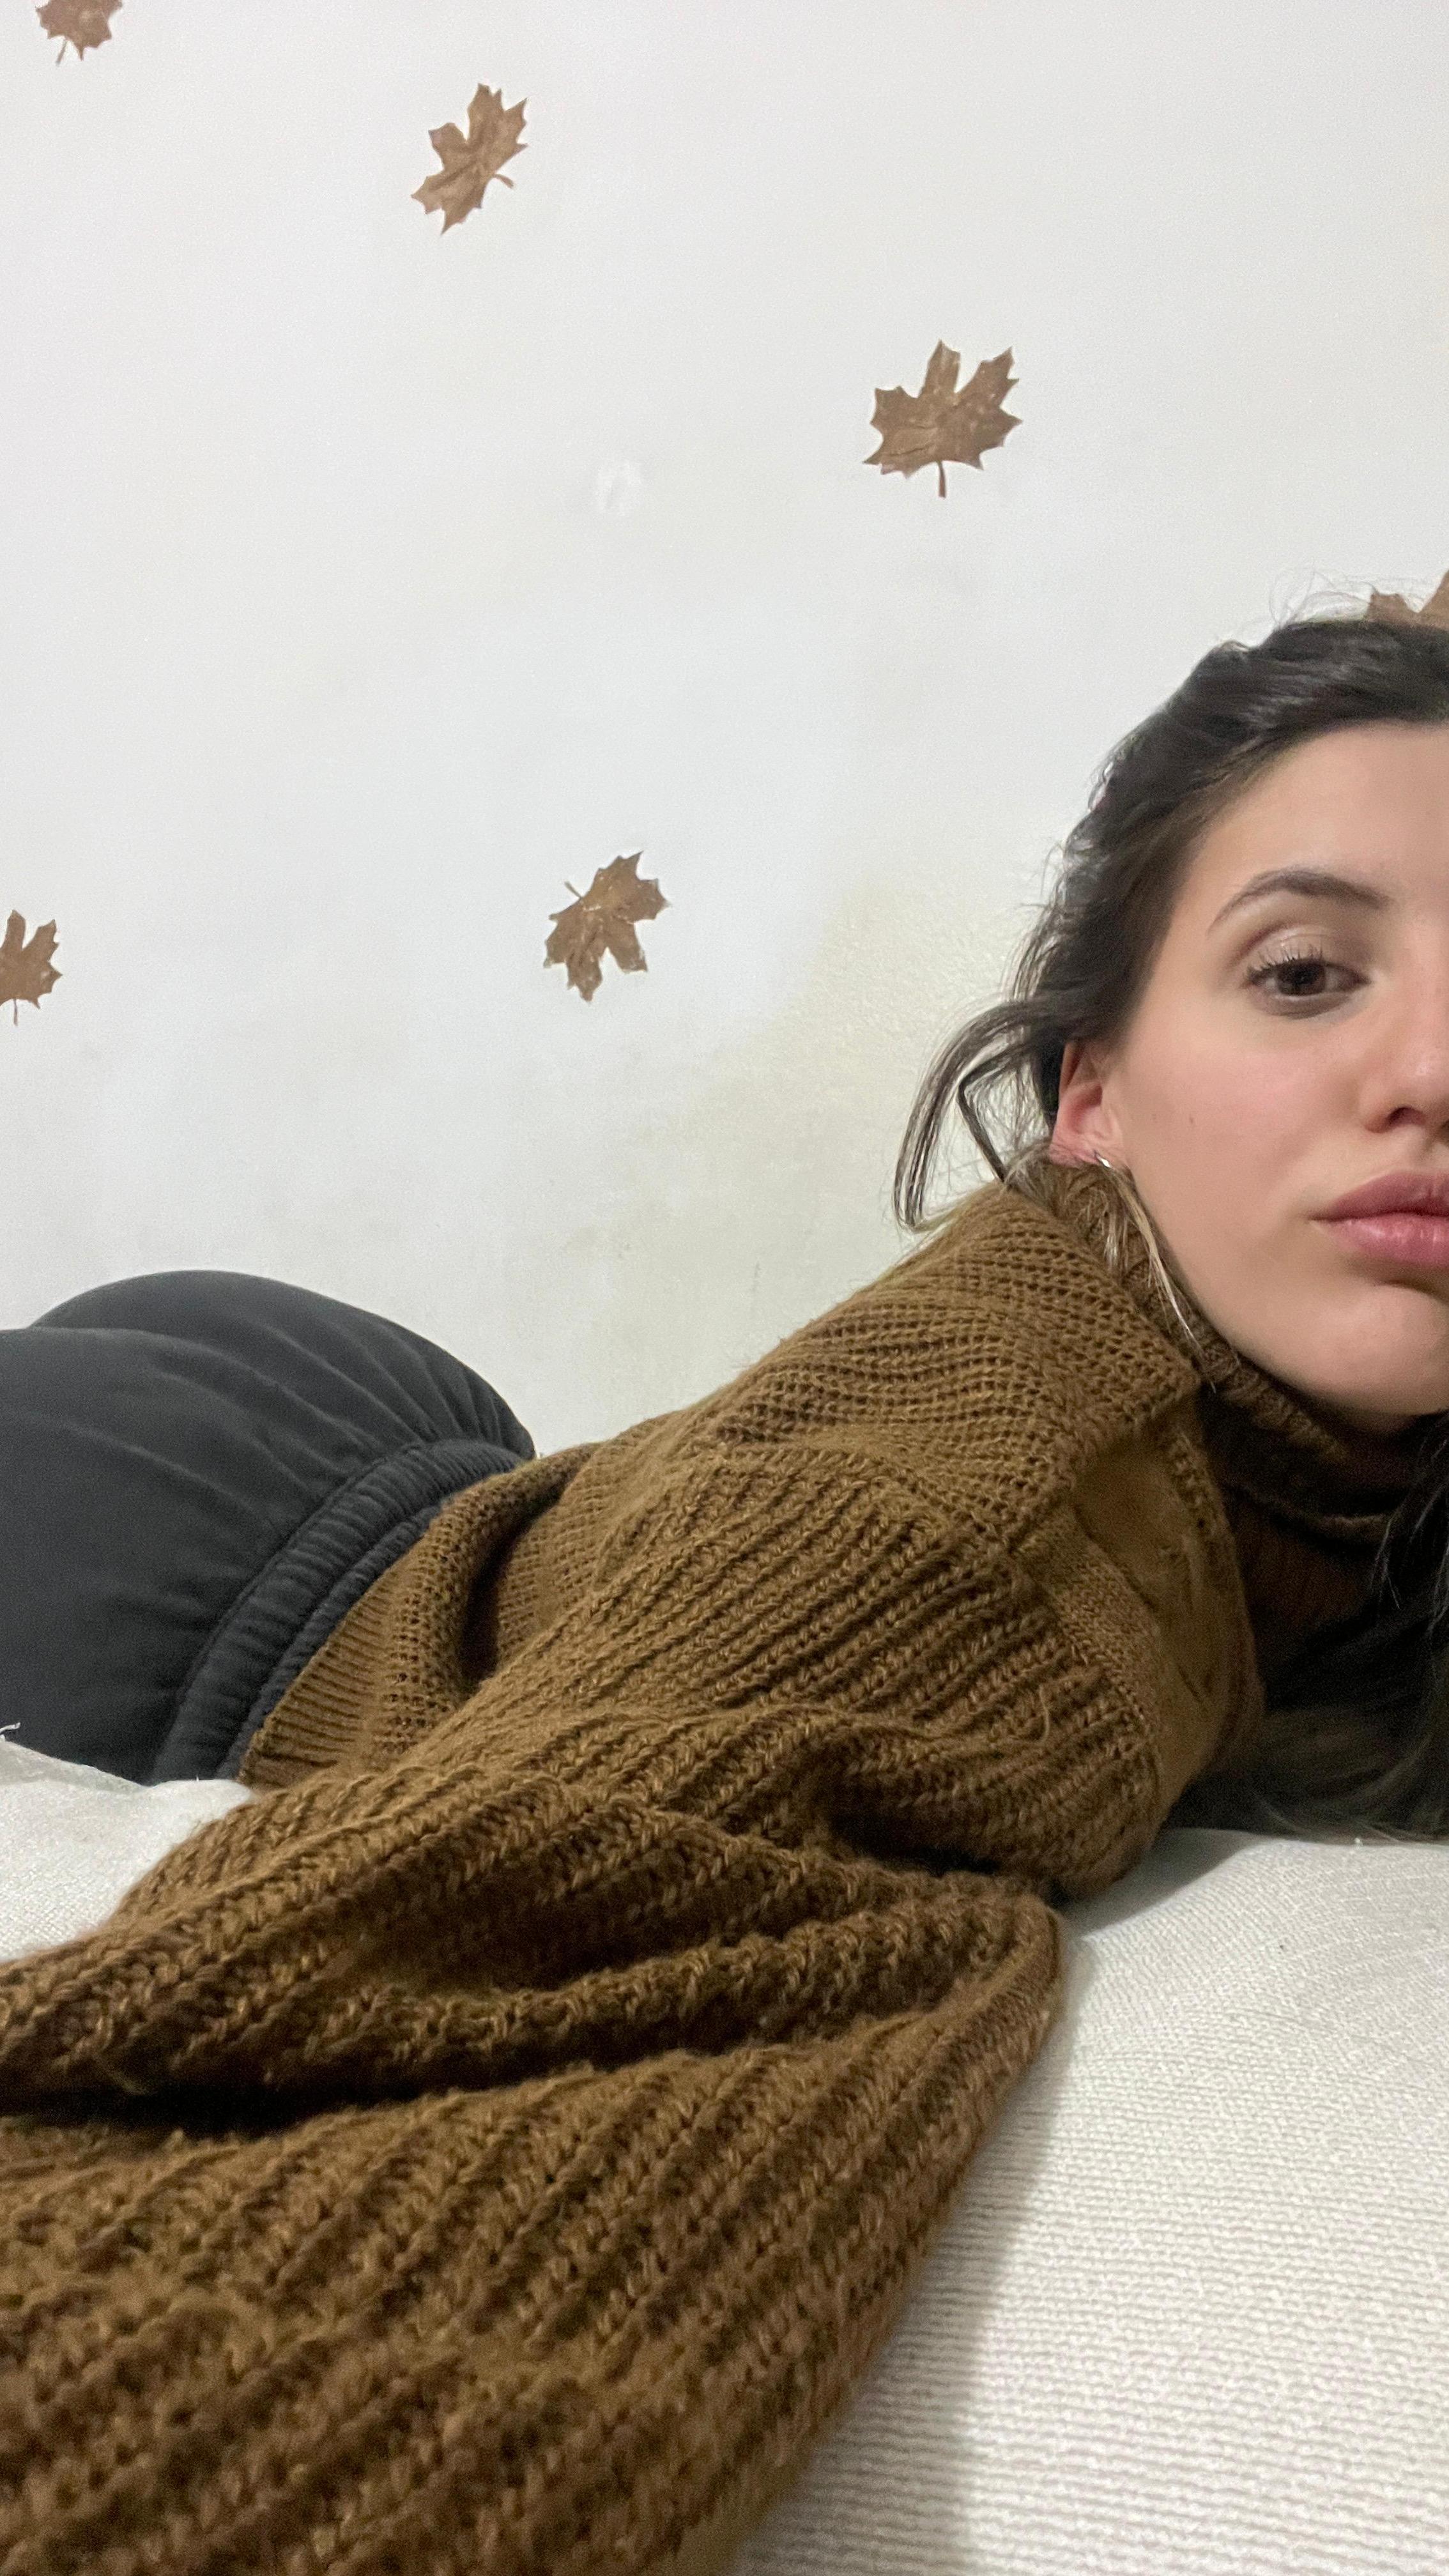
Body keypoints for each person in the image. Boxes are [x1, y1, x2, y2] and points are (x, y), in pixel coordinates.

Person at [7, 611, 1449, 2576]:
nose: (1430, 1069)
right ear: (1091, 1096)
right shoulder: (974, 1517)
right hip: (173, 1566)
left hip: (430, 1432)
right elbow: (432, 2072)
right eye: (1300, 974)